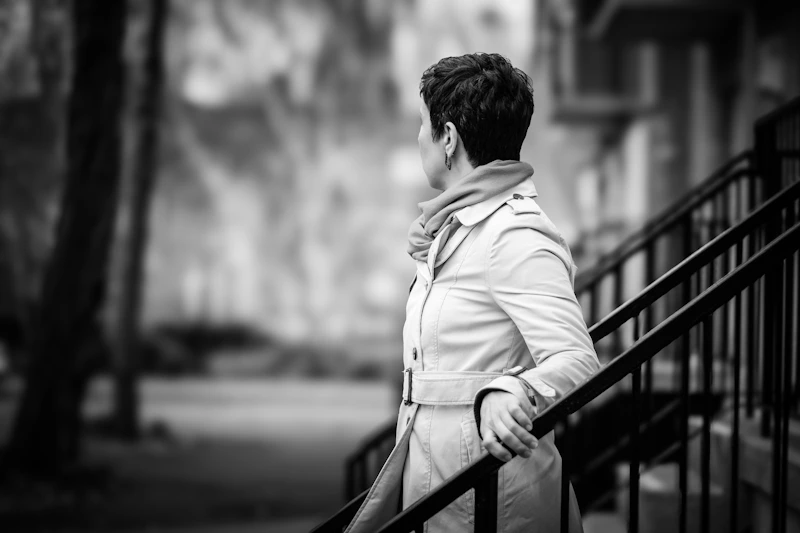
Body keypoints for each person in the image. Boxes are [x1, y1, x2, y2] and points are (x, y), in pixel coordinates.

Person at [345, 53, 600, 533]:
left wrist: (515, 389)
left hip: (491, 496)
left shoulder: (514, 234)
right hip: (443, 480)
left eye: (423, 125)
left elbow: (578, 360)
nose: (418, 138)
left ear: (447, 138)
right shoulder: (461, 227)